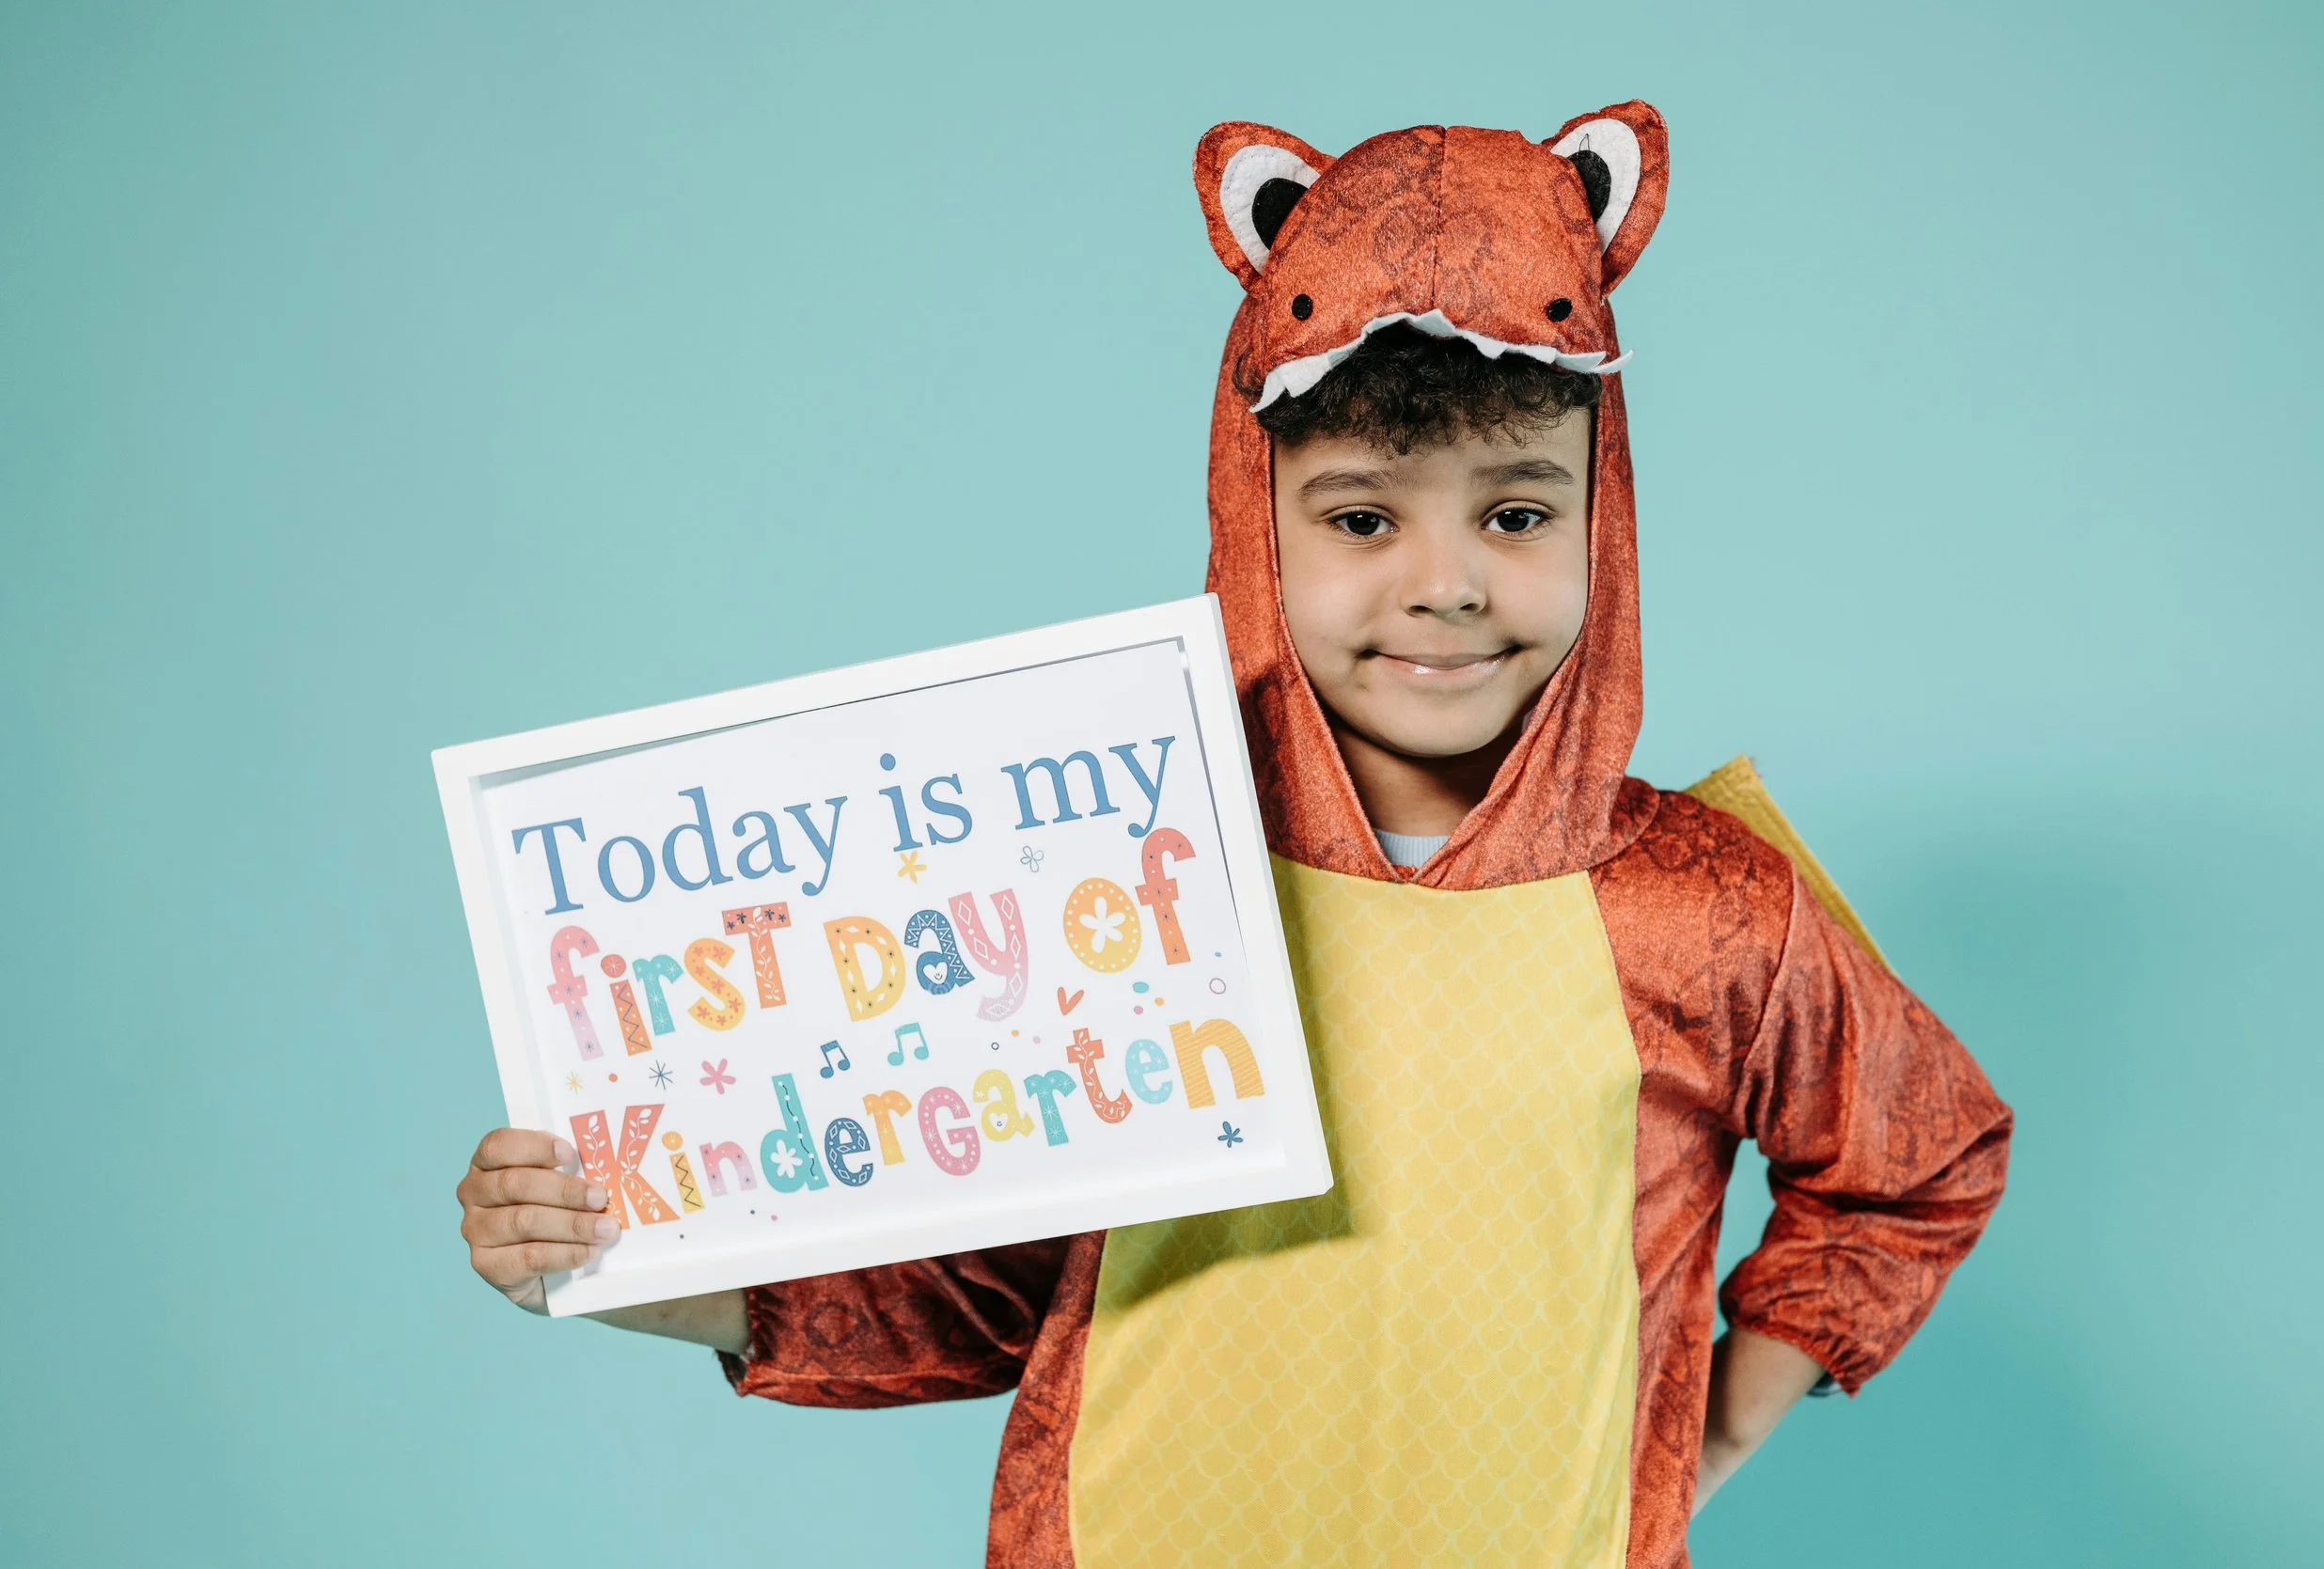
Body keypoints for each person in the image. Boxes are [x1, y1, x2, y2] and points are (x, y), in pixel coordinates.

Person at [455, 101, 2011, 1568]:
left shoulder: (1708, 907)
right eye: (1359, 519)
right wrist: (626, 1270)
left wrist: (1697, 1441)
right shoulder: (1119, 878)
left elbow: (1916, 1162)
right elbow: (981, 1292)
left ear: (1605, 516)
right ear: (1254, 526)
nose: (1446, 585)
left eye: (1518, 515)